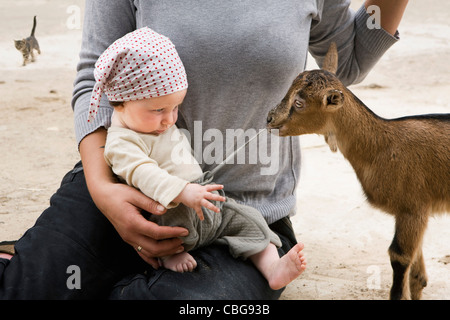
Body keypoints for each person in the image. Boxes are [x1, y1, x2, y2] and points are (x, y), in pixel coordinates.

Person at [0, 0, 408, 299]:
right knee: (29, 288)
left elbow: (347, 65)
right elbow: (95, 77)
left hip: (241, 214)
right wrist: (101, 189)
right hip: (117, 187)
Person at [95, 27, 306, 288]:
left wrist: (194, 189)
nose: (169, 119)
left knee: (249, 219)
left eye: (175, 108)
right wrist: (182, 191)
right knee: (166, 229)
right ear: (121, 102)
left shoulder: (151, 120)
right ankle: (171, 254)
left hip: (202, 195)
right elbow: (143, 172)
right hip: (172, 209)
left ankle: (272, 267)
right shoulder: (121, 142)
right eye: (159, 109)